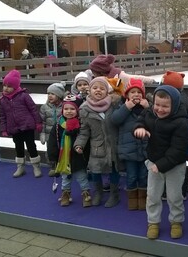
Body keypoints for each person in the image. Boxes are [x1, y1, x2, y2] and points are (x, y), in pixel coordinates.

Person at [133, 85, 188, 240]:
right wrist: (139, 128)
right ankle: (153, 222)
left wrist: (161, 165)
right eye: (157, 104)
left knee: (174, 196)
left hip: (174, 166)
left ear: (175, 106)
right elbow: (141, 119)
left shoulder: (181, 123)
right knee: (152, 195)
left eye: (165, 106)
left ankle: (176, 221)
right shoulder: (150, 112)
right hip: (153, 162)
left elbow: (178, 150)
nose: (160, 109)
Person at [74, 77, 121, 208]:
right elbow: (84, 131)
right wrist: (79, 144)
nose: (98, 90)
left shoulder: (114, 105)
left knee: (113, 169)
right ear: (90, 90)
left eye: (102, 88)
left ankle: (114, 194)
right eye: (95, 88)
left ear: (107, 91)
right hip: (97, 146)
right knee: (95, 170)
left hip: (112, 144)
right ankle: (98, 193)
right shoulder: (84, 109)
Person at [110, 78, 149, 211]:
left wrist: (147, 107)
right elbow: (115, 120)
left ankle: (143, 197)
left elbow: (155, 121)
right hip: (129, 149)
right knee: (131, 176)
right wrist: (126, 107)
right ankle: (132, 198)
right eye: (132, 92)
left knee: (144, 176)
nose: (136, 94)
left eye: (139, 92)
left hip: (144, 149)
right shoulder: (122, 106)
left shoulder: (146, 107)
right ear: (126, 95)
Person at [47, 95, 91, 207]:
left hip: (78, 157)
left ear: (77, 110)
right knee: (65, 178)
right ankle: (66, 194)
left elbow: (86, 139)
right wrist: (53, 156)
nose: (69, 111)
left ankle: (86, 193)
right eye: (66, 109)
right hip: (64, 158)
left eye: (72, 109)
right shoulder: (58, 126)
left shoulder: (81, 125)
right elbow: (52, 141)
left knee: (82, 177)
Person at [0, 69, 43, 178]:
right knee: (18, 147)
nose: (6, 88)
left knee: (31, 145)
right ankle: (20, 166)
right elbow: (2, 115)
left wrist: (38, 122)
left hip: (27, 126)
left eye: (9, 86)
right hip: (14, 128)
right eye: (4, 85)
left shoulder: (24, 96)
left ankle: (36, 166)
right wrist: (3, 129)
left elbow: (33, 109)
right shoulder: (2, 100)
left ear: (15, 86)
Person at [159, 70, 188, 200]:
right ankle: (180, 191)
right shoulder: (184, 98)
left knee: (173, 165)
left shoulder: (176, 100)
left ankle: (176, 192)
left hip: (171, 138)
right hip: (177, 140)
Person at [40, 82, 66, 177]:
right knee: (50, 151)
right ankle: (53, 167)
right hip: (49, 134)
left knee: (62, 150)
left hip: (61, 133)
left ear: (59, 95)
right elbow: (42, 122)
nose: (50, 96)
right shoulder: (44, 107)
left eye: (53, 94)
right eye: (49, 94)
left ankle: (63, 166)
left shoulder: (64, 106)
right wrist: (42, 133)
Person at [85, 54, 156, 85]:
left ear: (100, 71)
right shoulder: (96, 78)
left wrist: (151, 81)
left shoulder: (119, 76)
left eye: (93, 71)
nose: (92, 73)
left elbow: (135, 78)